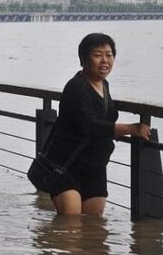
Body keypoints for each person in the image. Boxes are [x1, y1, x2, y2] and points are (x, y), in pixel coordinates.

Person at [47, 33, 151, 215]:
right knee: (70, 227)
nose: (105, 61)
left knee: (93, 228)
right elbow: (89, 126)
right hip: (67, 166)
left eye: (109, 55)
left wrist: (114, 132)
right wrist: (130, 129)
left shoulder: (104, 85)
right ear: (84, 60)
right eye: (97, 55)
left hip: (95, 168)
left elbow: (106, 119)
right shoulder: (76, 87)